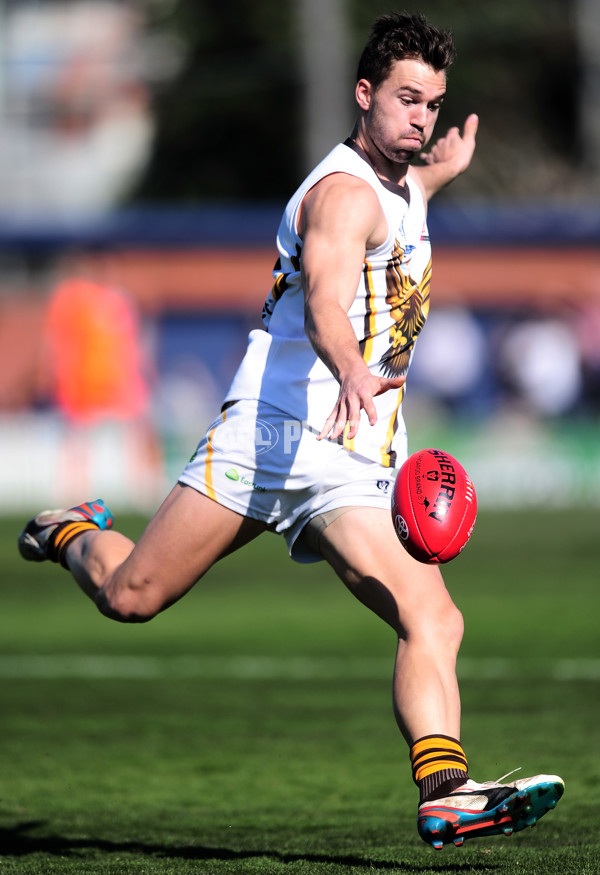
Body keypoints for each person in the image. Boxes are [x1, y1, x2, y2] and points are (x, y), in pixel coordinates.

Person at [18, 12, 564, 849]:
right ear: (363, 94)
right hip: (269, 438)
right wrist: (348, 364)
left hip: (342, 459)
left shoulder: (402, 182)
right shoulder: (341, 196)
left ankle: (445, 790)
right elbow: (322, 300)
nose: (422, 118)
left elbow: (408, 196)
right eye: (407, 100)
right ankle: (70, 530)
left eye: (434, 103)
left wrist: (443, 170)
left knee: (436, 617)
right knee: (133, 596)